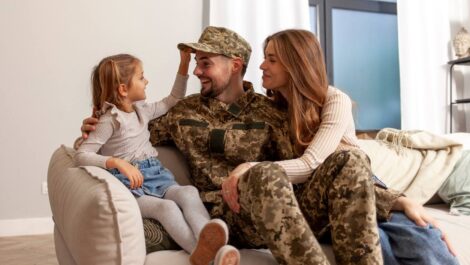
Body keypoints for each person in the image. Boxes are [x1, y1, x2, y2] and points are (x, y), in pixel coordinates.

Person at [79, 27, 457, 265]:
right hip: (226, 216)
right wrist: (95, 125)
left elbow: (317, 166)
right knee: (260, 176)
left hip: (280, 212)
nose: (196, 72)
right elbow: (127, 131)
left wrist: (393, 199)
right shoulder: (181, 112)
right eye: (195, 64)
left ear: (235, 65)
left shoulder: (272, 111)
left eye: (205, 63)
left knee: (352, 161)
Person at [220, 29, 459, 265]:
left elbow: (311, 164)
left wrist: (248, 166)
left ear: (296, 64)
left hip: (361, 183)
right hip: (320, 195)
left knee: (421, 240)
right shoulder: (272, 110)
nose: (262, 66)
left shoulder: (334, 100)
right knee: (383, 244)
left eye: (271, 59)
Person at [74, 52, 240, 265]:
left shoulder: (141, 111)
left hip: (156, 174)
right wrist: (116, 162)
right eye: (141, 77)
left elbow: (173, 99)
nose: (147, 81)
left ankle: (213, 244)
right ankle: (208, 257)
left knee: (188, 192)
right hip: (131, 185)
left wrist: (183, 63)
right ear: (123, 89)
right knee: (167, 208)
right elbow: (81, 155)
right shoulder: (110, 120)